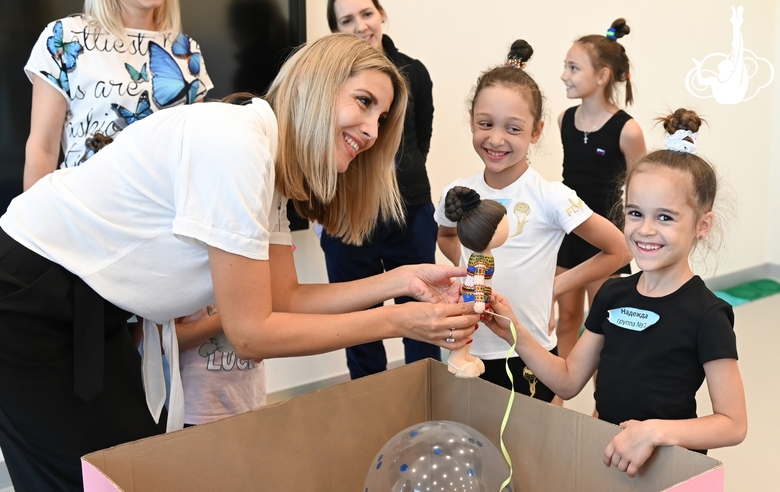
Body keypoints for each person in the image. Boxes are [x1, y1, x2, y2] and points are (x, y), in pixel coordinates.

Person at [0, 34, 479, 491]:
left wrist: (398, 280)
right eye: (363, 102)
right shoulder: (237, 144)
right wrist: (399, 319)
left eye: (383, 117)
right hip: (29, 296)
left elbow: (284, 298)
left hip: (87, 306)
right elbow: (251, 334)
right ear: (315, 86)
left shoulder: (265, 157)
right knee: (91, 477)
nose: (373, 132)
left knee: (125, 468)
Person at [485, 108, 747, 477]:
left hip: (671, 467)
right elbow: (568, 381)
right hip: (609, 457)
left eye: (666, 217)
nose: (645, 230)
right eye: (635, 213)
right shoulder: (612, 295)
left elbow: (733, 424)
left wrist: (655, 432)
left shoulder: (708, 314)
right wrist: (515, 330)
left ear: (702, 225)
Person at [435, 40, 631, 402]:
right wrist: (471, 269)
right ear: (472, 122)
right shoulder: (458, 193)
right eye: (485, 124)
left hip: (529, 353)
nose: (495, 138)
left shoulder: (551, 196)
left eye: (513, 128)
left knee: (527, 451)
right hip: (466, 348)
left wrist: (553, 287)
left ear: (536, 131)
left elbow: (619, 248)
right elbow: (447, 236)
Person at [322, 0, 440, 379]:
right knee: (358, 328)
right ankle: (368, 405)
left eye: (366, 13)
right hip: (347, 218)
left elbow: (420, 140)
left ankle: (427, 404)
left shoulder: (415, 73)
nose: (360, 25)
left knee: (423, 319)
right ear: (336, 30)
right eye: (347, 20)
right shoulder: (326, 81)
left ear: (382, 14)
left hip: (411, 214)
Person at [23, 0, 212, 190]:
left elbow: (196, 151)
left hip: (166, 209)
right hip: (86, 207)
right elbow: (43, 149)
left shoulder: (187, 48)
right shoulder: (67, 36)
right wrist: (32, 217)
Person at [555, 18, 646, 361]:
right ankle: (554, 403)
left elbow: (642, 191)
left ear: (602, 75)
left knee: (602, 330)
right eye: (566, 66)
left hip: (606, 239)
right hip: (566, 232)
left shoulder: (627, 130)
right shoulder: (565, 120)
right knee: (566, 321)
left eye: (574, 67)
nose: (565, 75)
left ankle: (600, 409)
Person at [442, 186, 509, 378]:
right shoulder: (480, 260)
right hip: (473, 298)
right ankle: (455, 360)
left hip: (478, 297)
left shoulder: (485, 256)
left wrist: (488, 293)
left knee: (471, 329)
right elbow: (479, 280)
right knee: (465, 329)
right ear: (486, 233)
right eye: (501, 225)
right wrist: (480, 299)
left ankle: (465, 356)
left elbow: (484, 281)